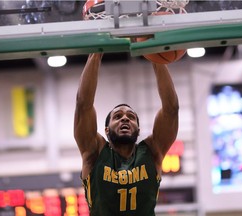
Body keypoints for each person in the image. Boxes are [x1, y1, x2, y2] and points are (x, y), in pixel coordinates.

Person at [74, 53, 179, 216]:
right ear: (106, 129)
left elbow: (171, 110)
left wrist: (156, 55)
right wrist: (96, 53)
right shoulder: (95, 153)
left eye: (131, 117)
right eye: (117, 116)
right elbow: (83, 105)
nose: (125, 118)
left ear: (138, 129)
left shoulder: (152, 152)